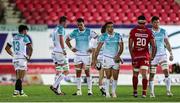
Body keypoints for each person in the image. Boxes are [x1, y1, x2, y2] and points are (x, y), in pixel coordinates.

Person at [65, 18, 98, 96]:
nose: (79, 26)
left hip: (86, 56)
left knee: (87, 72)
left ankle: (90, 91)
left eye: (81, 24)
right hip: (78, 55)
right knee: (78, 73)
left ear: (84, 24)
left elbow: (98, 38)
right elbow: (67, 40)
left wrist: (93, 48)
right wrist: (72, 48)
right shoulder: (75, 32)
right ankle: (78, 91)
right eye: (78, 25)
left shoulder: (89, 31)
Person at [92, 22, 124, 98]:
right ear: (106, 28)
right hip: (106, 58)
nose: (111, 28)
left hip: (115, 58)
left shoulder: (118, 35)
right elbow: (98, 48)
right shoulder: (103, 36)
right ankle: (107, 92)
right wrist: (95, 59)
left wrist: (118, 55)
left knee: (116, 76)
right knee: (108, 76)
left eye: (112, 26)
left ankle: (113, 92)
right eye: (109, 27)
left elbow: (121, 47)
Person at [128, 15, 156, 98]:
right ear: (145, 22)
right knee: (144, 75)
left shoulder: (133, 31)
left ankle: (135, 92)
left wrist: (132, 56)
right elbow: (153, 46)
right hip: (145, 56)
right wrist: (152, 56)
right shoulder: (149, 31)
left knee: (135, 74)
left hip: (136, 55)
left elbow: (130, 46)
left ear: (138, 22)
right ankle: (144, 93)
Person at [5, 25, 33, 97]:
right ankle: (15, 92)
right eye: (26, 30)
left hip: (15, 59)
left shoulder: (13, 38)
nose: (27, 32)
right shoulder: (25, 37)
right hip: (22, 59)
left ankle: (20, 92)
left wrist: (13, 55)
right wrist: (29, 57)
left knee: (18, 76)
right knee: (21, 77)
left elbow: (7, 48)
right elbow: (30, 48)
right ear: (23, 31)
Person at [149, 16, 174, 97]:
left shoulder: (163, 31)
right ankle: (152, 92)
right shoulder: (149, 32)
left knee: (166, 71)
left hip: (162, 54)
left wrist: (171, 53)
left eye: (158, 22)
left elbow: (167, 43)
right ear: (152, 23)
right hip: (153, 55)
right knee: (152, 74)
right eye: (155, 22)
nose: (157, 24)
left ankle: (168, 91)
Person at [50, 16, 69, 95]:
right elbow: (61, 39)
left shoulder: (55, 29)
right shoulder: (61, 29)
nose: (67, 24)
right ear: (63, 22)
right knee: (66, 71)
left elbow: (55, 40)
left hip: (55, 52)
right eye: (66, 22)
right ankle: (54, 86)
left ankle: (59, 91)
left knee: (59, 71)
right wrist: (64, 50)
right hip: (60, 52)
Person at [91, 24, 107, 96]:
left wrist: (93, 60)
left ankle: (102, 89)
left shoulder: (96, 38)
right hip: (105, 58)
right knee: (107, 74)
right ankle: (104, 89)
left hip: (98, 58)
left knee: (101, 74)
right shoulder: (107, 38)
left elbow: (93, 51)